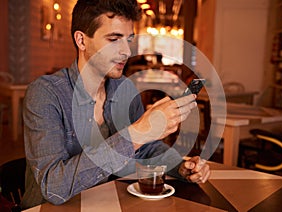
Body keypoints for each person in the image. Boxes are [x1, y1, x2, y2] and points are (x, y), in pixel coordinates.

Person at [21, 0, 210, 209]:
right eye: (114, 39)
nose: (126, 52)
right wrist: (137, 133)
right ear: (81, 40)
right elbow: (53, 187)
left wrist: (180, 166)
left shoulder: (125, 89)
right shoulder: (45, 93)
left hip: (106, 203)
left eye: (128, 40)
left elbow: (146, 149)